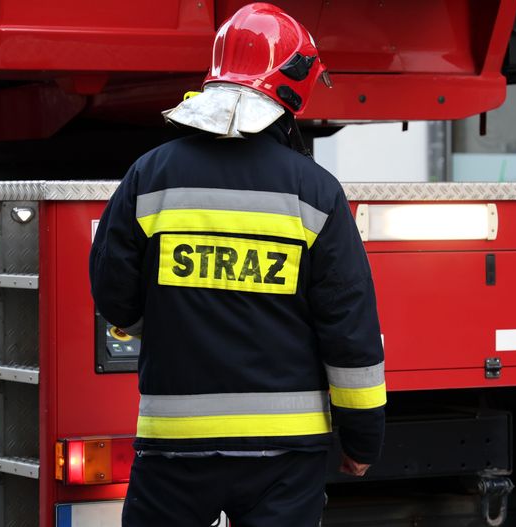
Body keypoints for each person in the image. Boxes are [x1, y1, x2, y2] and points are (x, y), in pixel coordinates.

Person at [89, 4, 385, 525]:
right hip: (286, 454)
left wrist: (172, 321)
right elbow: (348, 329)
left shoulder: (150, 175)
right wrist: (362, 440)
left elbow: (113, 293)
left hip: (174, 448)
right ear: (294, 86)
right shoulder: (315, 192)